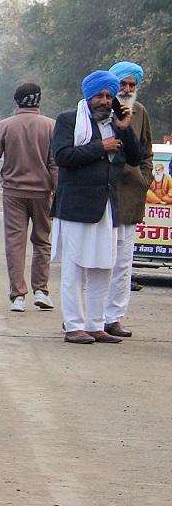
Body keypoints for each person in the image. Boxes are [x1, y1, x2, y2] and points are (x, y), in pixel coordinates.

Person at [50, 71, 142, 344]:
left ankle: (95, 324)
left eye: (109, 96)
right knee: (75, 269)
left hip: (107, 206)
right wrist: (100, 146)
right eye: (99, 95)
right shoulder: (69, 120)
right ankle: (74, 326)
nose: (104, 101)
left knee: (104, 267)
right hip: (76, 206)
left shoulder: (116, 124)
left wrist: (125, 128)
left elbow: (134, 158)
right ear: (88, 96)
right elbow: (62, 156)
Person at [0, 83, 57, 312]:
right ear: (39, 100)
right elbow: (55, 163)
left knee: (15, 242)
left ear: (16, 100)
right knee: (42, 240)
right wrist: (58, 191)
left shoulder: (3, 126)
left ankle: (18, 296)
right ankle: (41, 291)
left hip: (13, 192)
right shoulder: (51, 126)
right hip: (43, 192)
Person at [103, 62, 155, 337]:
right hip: (103, 192)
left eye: (131, 85)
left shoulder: (140, 111)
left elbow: (146, 151)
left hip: (131, 193)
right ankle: (90, 316)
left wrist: (144, 179)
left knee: (123, 262)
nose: (126, 89)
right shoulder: (100, 108)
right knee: (99, 258)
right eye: (122, 84)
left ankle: (113, 318)